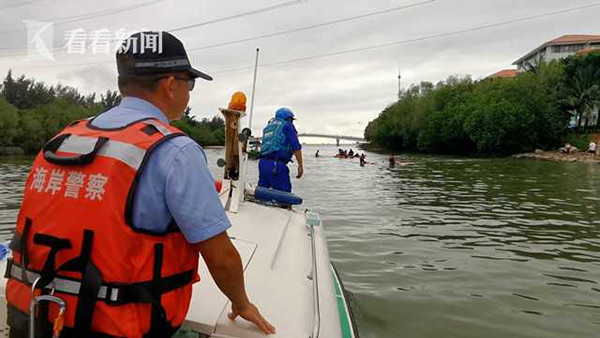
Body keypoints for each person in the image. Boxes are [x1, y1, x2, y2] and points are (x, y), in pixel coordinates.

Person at [5, 31, 275, 337]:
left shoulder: (63, 139)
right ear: (171, 84)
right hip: (114, 325)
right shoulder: (176, 151)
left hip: (31, 314)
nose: (189, 95)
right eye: (190, 83)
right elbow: (220, 255)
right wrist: (241, 303)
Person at [258, 107, 304, 192]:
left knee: (263, 193)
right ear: (289, 118)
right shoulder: (288, 126)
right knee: (284, 196)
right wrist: (300, 166)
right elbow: (296, 147)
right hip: (276, 165)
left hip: (262, 163)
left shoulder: (269, 127)